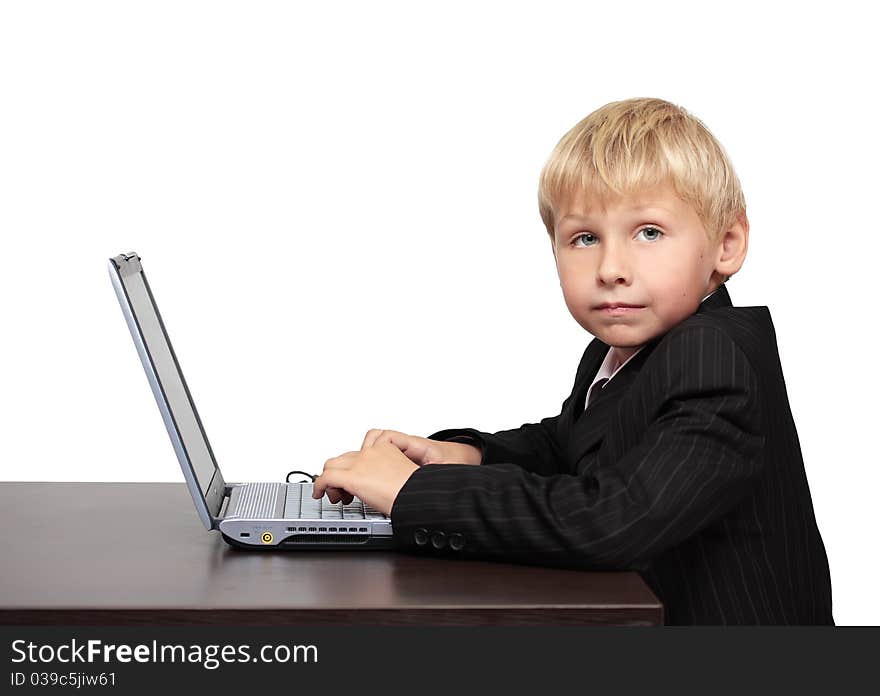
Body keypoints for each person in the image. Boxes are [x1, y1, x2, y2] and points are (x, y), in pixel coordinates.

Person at [312, 97, 834, 625]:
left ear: (727, 244)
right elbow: (568, 443)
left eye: (648, 232)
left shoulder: (713, 355)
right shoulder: (625, 350)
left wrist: (415, 493)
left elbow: (615, 518)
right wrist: (467, 455)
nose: (611, 268)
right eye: (585, 238)